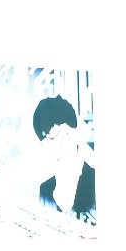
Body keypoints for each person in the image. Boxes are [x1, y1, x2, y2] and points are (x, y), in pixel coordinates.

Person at [32, 94, 97, 225]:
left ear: (74, 133)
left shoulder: (96, 179)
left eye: (60, 135)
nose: (56, 146)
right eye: (48, 140)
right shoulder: (45, 190)